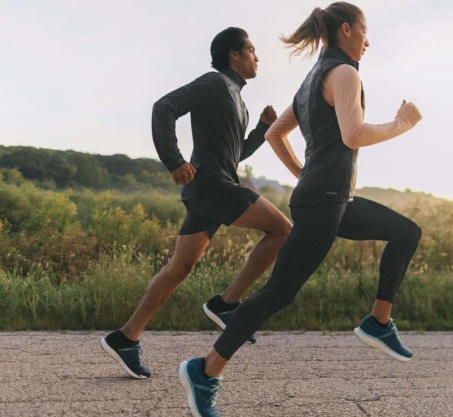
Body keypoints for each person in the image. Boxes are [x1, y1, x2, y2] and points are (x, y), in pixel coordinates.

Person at [178, 3, 424, 416]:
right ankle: (205, 369)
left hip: (329, 197)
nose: (368, 41)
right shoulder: (344, 73)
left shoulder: (313, 78)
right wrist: (403, 123)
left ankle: (379, 322)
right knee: (278, 292)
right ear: (346, 30)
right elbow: (354, 134)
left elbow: (275, 133)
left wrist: (302, 172)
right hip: (325, 200)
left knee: (405, 232)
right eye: (365, 32)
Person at [100, 27, 292, 380]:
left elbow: (235, 155)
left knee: (179, 268)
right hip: (211, 186)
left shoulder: (239, 100)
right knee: (282, 229)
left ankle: (125, 338)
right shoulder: (214, 83)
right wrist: (174, 159)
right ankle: (228, 304)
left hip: (213, 187)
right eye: (251, 50)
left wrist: (261, 130)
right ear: (234, 54)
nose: (256, 57)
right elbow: (165, 106)